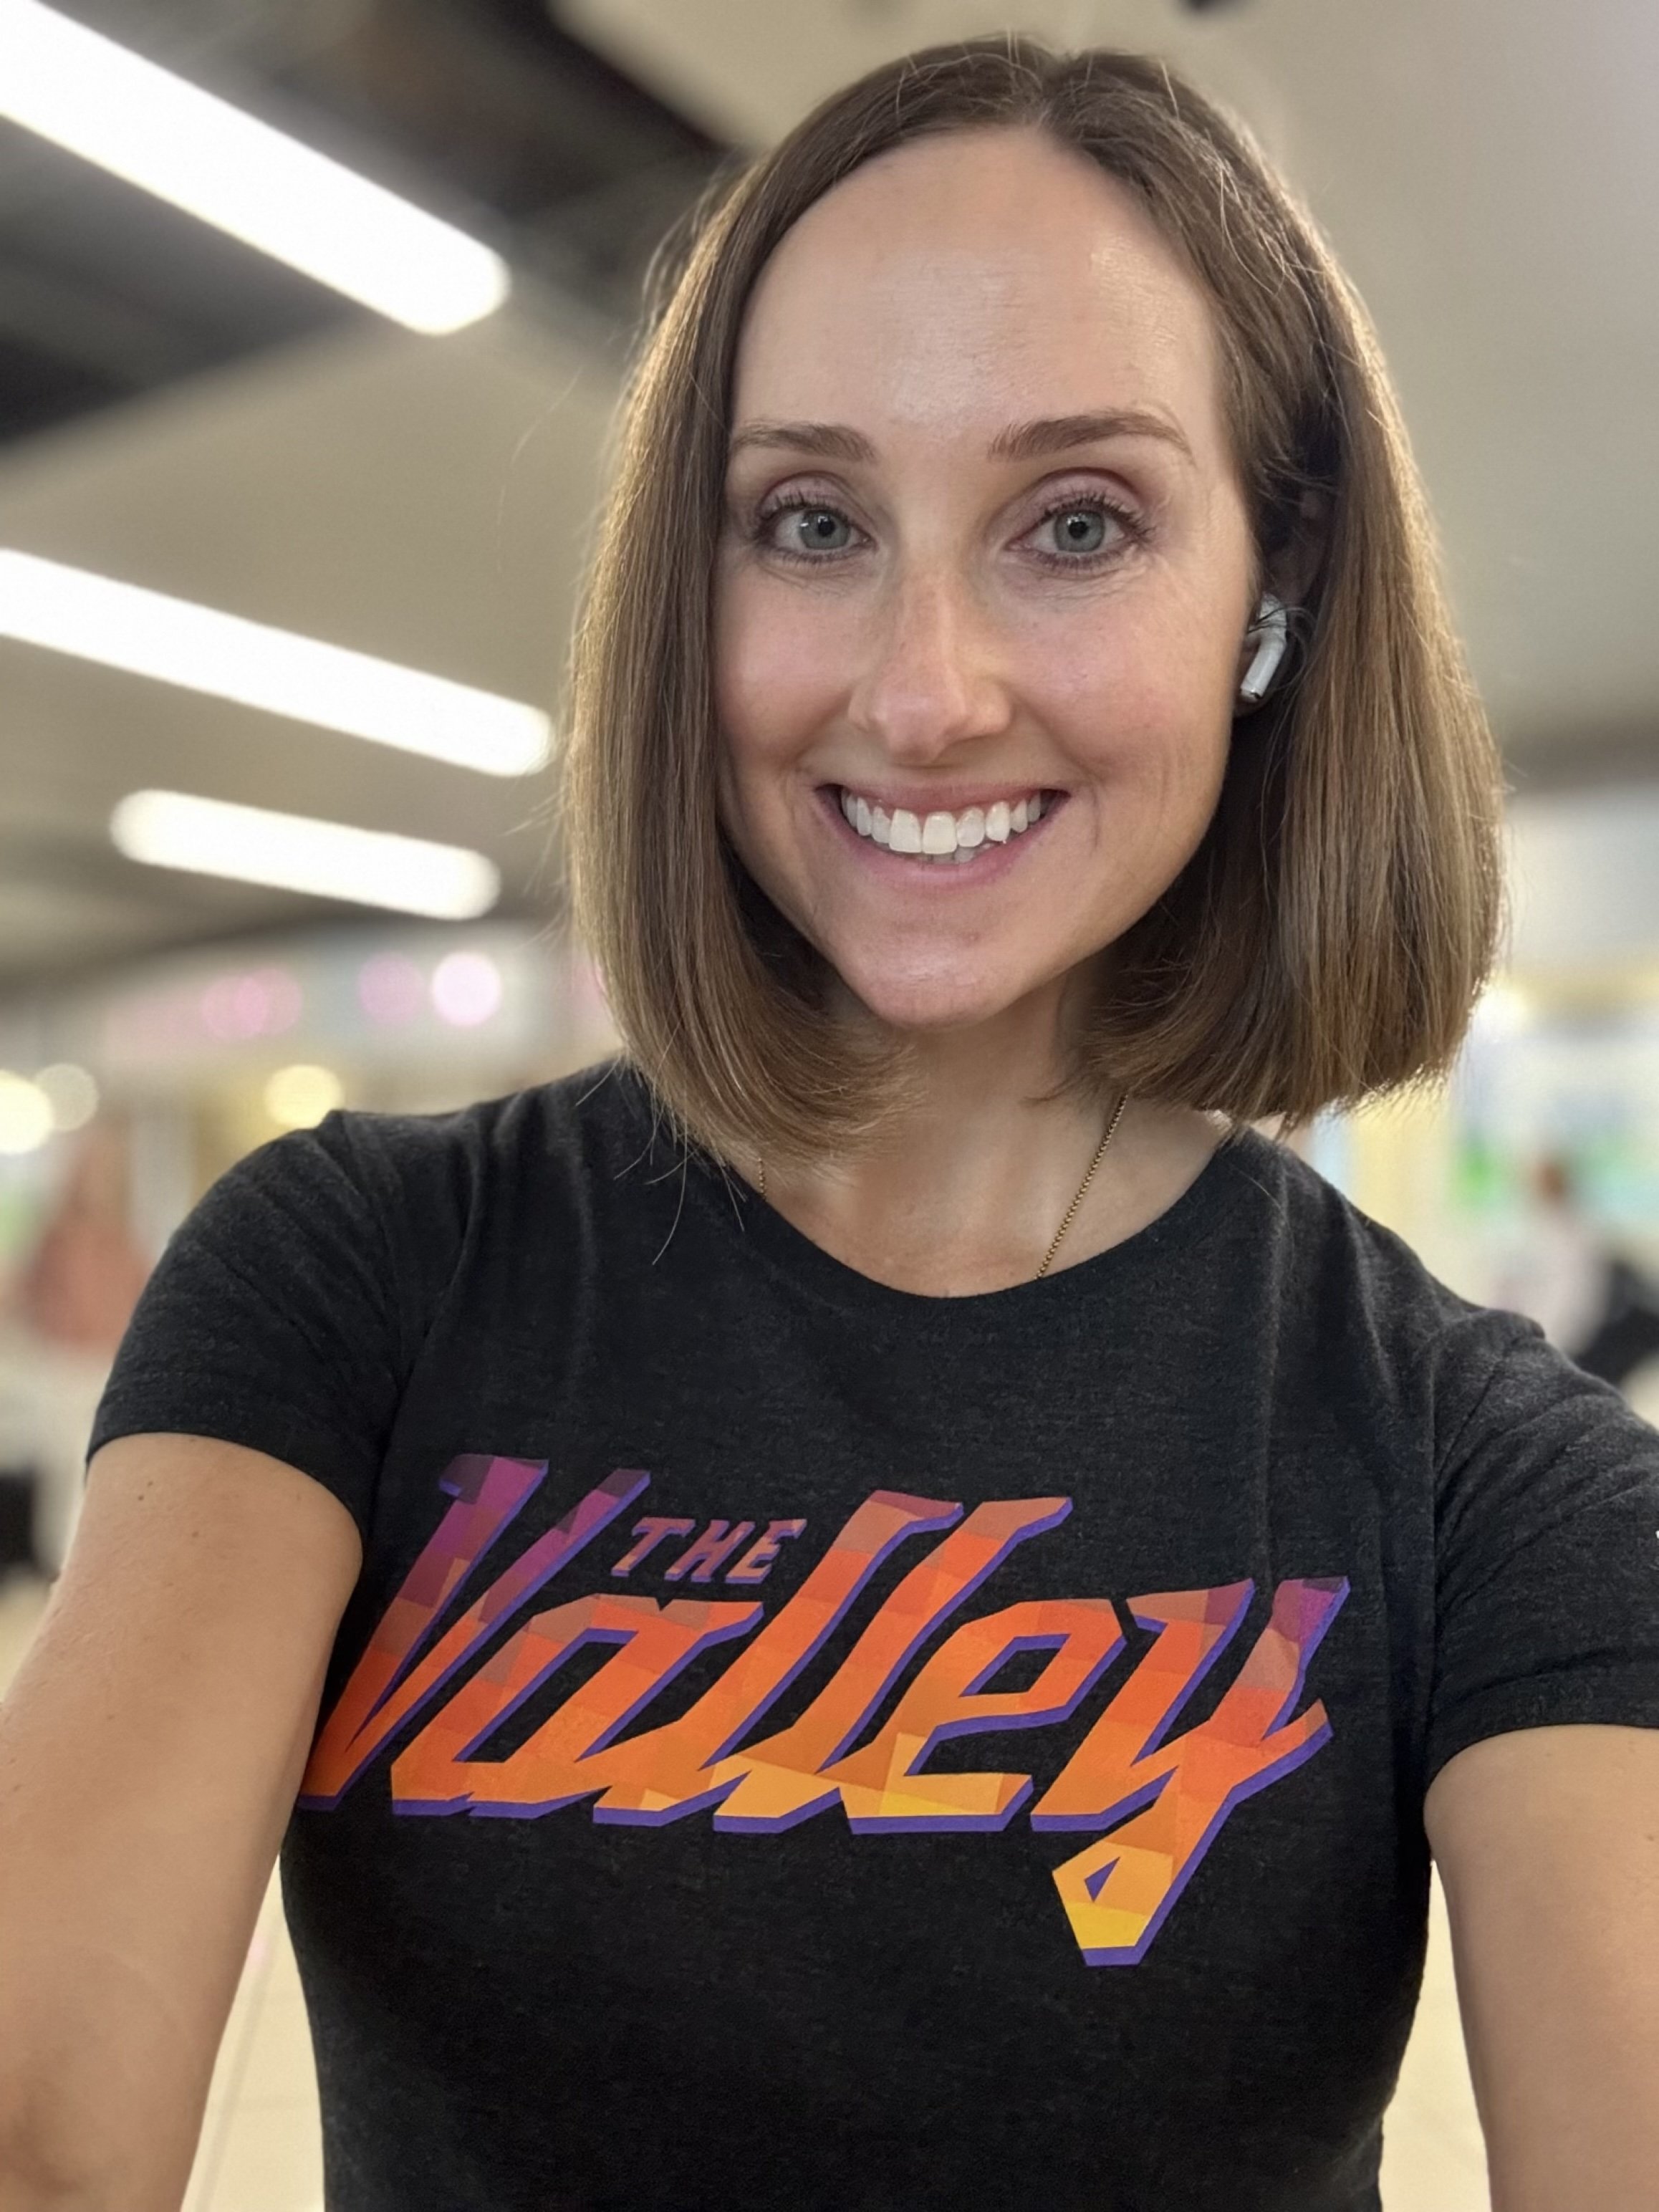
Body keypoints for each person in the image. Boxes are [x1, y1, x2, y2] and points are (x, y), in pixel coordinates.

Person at [3, 34, 1657, 2212]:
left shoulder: (1477, 1470)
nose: (919, 687)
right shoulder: (355, 1277)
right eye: (810, 522)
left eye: (1075, 523)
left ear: (1273, 589)